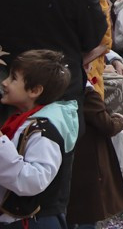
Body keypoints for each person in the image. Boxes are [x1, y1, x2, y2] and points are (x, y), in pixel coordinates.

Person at [0, 50, 76, 228]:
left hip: (35, 221)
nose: (4, 82)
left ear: (34, 90)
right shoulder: (23, 121)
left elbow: (34, 180)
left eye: (13, 78)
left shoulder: (43, 131)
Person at [65, 80, 123, 228]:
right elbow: (107, 125)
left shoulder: (60, 91)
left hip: (71, 162)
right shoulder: (87, 95)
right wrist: (120, 120)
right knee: (87, 213)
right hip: (88, 166)